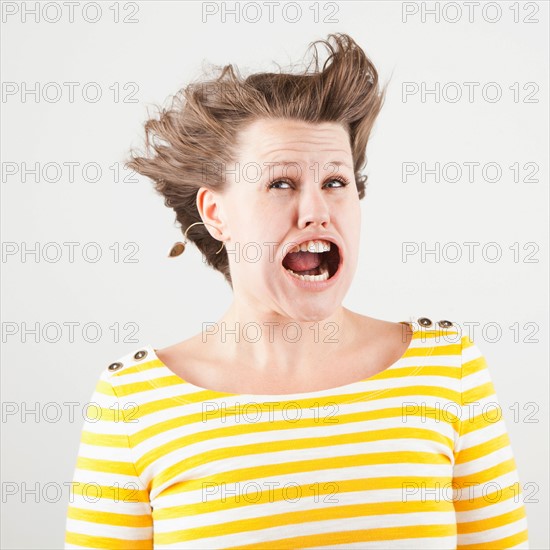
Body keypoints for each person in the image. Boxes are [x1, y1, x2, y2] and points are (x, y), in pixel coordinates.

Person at [64, 33, 529, 549]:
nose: (316, 211)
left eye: (335, 182)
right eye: (280, 183)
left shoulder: (450, 370)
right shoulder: (133, 404)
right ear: (216, 214)